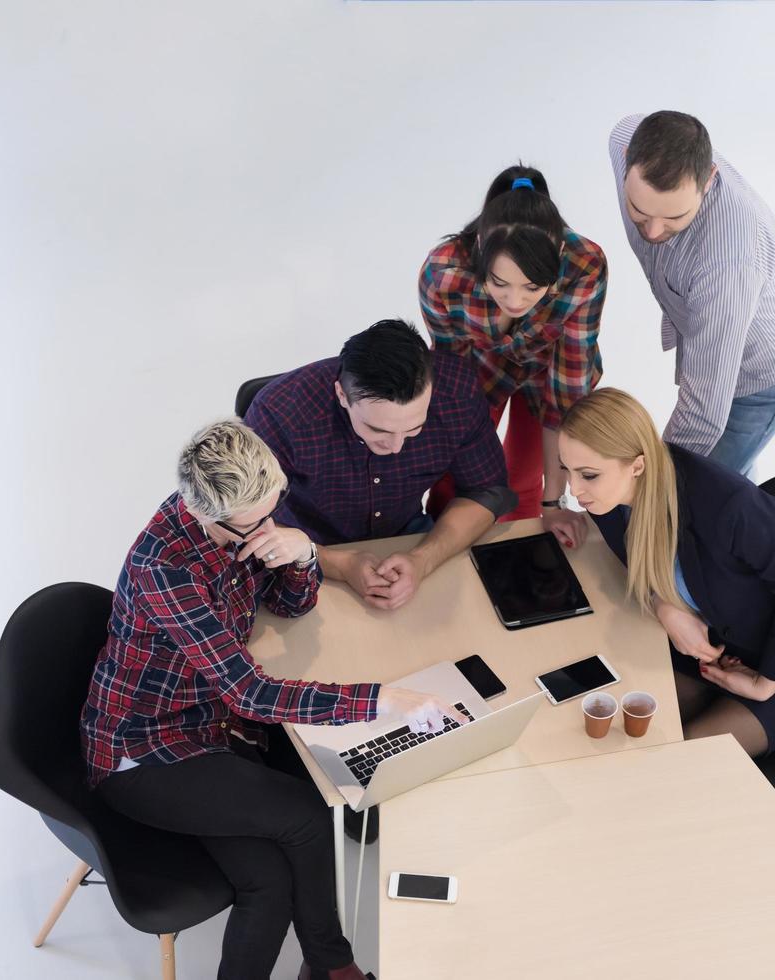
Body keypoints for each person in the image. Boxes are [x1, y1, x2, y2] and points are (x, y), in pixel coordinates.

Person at [80, 419, 460, 980]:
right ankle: (335, 966)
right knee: (307, 815)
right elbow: (251, 692)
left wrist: (304, 555)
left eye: (274, 507)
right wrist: (383, 699)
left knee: (269, 880)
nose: (266, 527)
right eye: (253, 523)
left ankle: (329, 968)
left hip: (211, 724)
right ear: (209, 516)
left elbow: (287, 605)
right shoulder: (165, 569)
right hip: (145, 750)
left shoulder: (237, 516)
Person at [555, 388, 775, 758]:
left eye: (589, 475)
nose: (574, 490)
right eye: (567, 469)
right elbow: (648, 563)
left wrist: (766, 684)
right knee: (610, 728)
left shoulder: (730, 508)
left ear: (637, 466)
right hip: (714, 654)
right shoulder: (612, 501)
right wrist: (663, 605)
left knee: (681, 760)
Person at [244, 319, 518, 612]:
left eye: (414, 428)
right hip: (304, 547)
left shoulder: (457, 389)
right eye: (378, 430)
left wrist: (423, 560)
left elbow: (486, 491)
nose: (396, 446)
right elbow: (247, 525)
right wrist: (340, 564)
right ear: (342, 396)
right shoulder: (279, 412)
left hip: (408, 535)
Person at [608, 111, 775, 478]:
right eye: (639, 212)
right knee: (729, 477)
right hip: (728, 319)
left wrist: (650, 486)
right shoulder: (621, 139)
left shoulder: (727, 261)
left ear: (709, 180)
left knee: (709, 487)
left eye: (675, 219)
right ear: (628, 157)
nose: (655, 231)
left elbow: (703, 412)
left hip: (769, 367)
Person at [418, 164, 606, 548]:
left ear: (557, 259)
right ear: (482, 252)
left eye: (533, 287)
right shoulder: (443, 273)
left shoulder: (585, 266)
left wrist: (553, 502)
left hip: (548, 367)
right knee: (454, 475)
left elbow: (566, 390)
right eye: (500, 284)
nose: (516, 301)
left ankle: (519, 555)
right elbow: (451, 376)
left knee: (524, 477)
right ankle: (438, 550)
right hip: (476, 364)